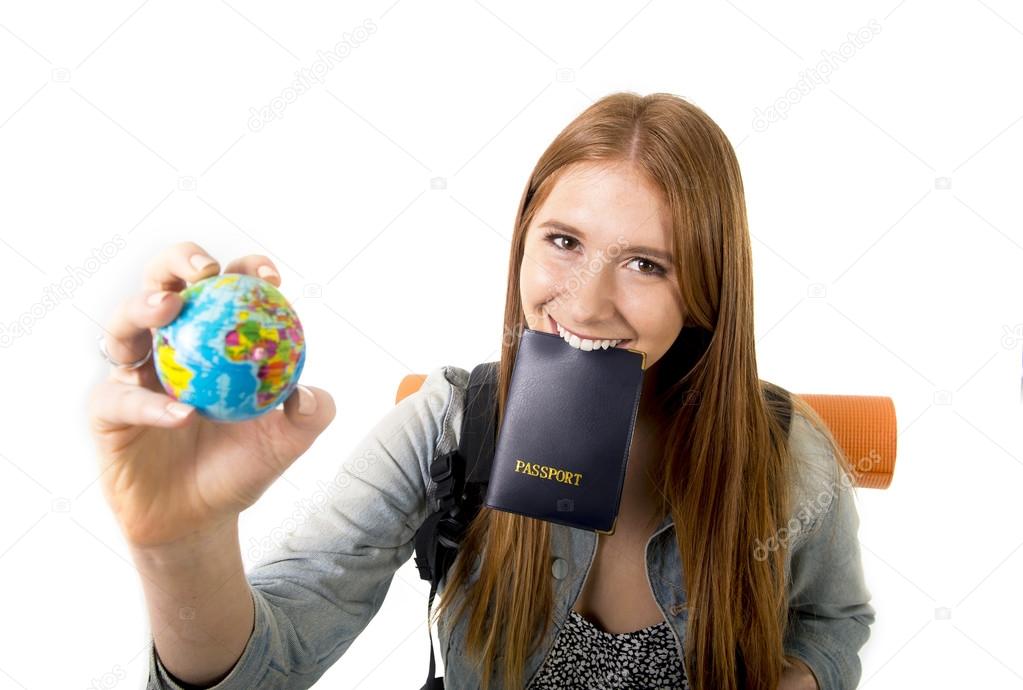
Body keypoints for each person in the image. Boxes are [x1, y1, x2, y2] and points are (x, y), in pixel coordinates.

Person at [88, 91, 874, 690]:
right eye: (563, 242)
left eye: (647, 264)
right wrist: (179, 545)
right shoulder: (447, 427)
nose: (588, 302)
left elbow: (832, 620)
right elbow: (269, 663)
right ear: (524, 238)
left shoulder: (787, 449)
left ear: (708, 285)